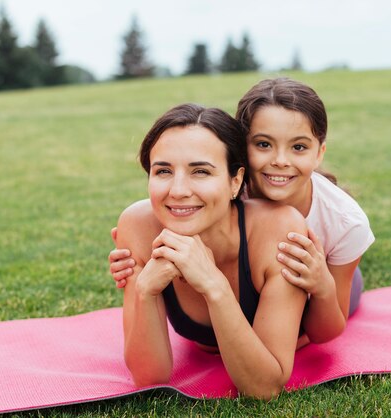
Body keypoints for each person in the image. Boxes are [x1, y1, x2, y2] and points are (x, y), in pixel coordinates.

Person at [111, 78, 375, 346]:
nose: (280, 161)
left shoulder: (345, 222)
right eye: (263, 144)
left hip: (328, 282)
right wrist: (135, 257)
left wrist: (322, 286)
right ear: (240, 147)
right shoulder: (224, 189)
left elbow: (327, 331)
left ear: (319, 153)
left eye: (298, 147)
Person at [118, 103, 307, 399]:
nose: (178, 190)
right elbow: (149, 378)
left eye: (201, 172)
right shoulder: (137, 225)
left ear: (235, 181)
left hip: (322, 296)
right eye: (164, 171)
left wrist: (213, 284)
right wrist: (145, 291)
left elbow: (264, 388)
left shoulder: (280, 228)